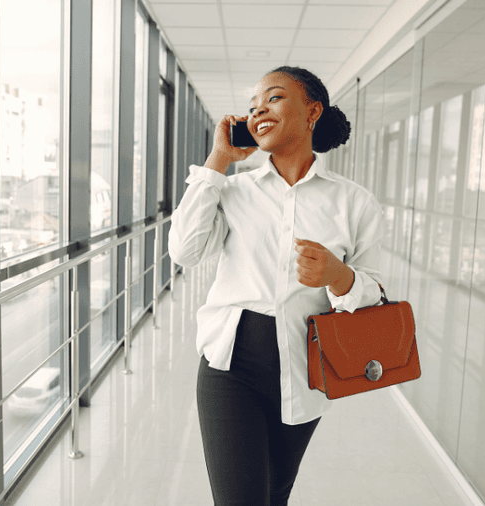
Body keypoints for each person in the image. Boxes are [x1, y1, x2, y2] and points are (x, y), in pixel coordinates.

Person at [168, 66, 384, 506]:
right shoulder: (232, 191)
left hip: (309, 367)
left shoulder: (354, 202)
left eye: (274, 98)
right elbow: (184, 251)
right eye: (252, 106)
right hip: (231, 364)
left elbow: (377, 295)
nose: (259, 109)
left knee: (273, 493)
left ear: (312, 112)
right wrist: (219, 162)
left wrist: (337, 276)